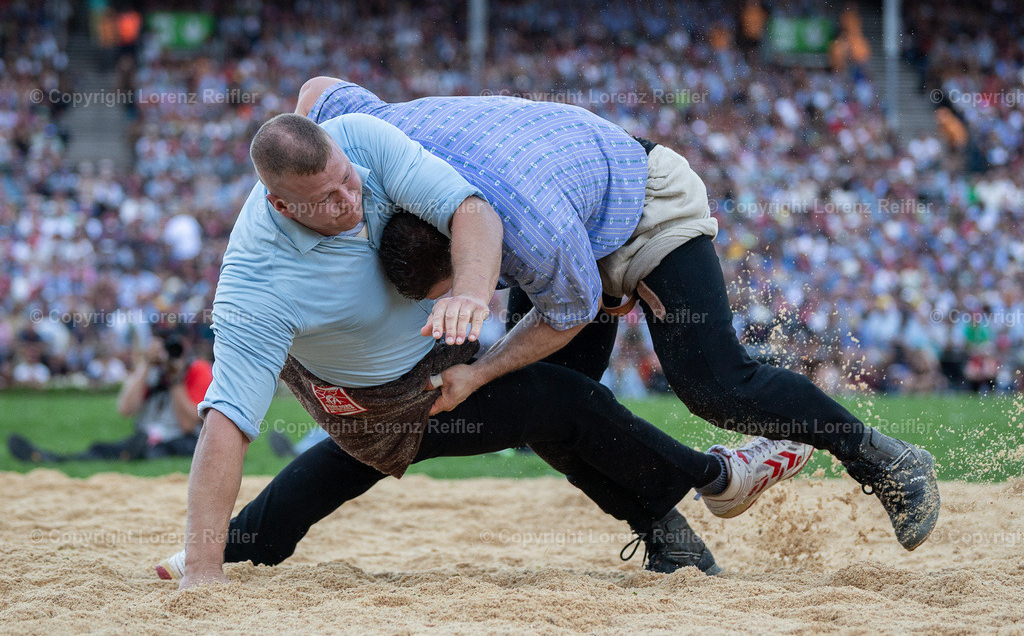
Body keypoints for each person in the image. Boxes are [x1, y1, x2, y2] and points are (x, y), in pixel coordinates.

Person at [171, 107, 813, 589]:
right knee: (562, 403)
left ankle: (243, 542)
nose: (350, 200)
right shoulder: (258, 283)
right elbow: (226, 420)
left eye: (347, 181)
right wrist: (203, 574)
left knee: (344, 472)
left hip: (439, 347)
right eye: (328, 200)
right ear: (281, 204)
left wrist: (473, 296)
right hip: (378, 399)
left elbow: (469, 208)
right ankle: (715, 479)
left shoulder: (359, 141)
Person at [296, 76, 940, 552]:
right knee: (556, 404)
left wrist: (479, 373)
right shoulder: (374, 147)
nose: (460, 296)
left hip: (639, 206)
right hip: (564, 209)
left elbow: (573, 309)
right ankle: (664, 529)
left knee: (714, 383)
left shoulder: (529, 233)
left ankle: (884, 461)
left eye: (459, 286)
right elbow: (315, 91)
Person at [7, 332, 211, 462]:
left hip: (180, 440)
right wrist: (147, 365)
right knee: (102, 449)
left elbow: (188, 425)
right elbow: (125, 409)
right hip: (146, 437)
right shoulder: (152, 371)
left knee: (159, 449)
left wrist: (175, 378)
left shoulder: (197, 370)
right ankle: (46, 457)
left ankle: (133, 452)